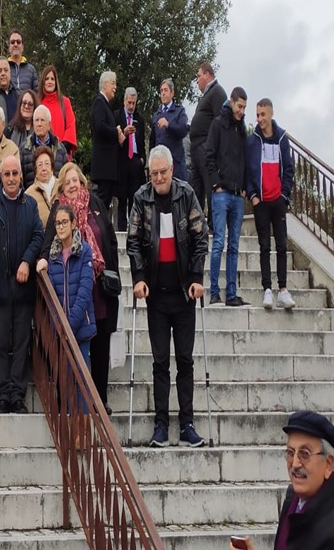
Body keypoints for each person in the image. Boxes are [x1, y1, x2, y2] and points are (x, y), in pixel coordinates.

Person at [127, 145, 208, 448]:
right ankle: (161, 424)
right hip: (156, 296)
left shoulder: (186, 195)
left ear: (172, 170)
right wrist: (138, 278)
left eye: (163, 172)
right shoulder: (141, 197)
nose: (159, 177)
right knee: (161, 361)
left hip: (184, 293)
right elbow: (133, 241)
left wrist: (198, 278)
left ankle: (186, 423)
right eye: (154, 172)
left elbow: (201, 236)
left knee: (184, 360)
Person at [40, 162, 119, 410]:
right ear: (62, 185)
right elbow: (48, 242)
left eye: (77, 180)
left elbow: (110, 239)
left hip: (98, 288)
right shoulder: (59, 211)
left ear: (82, 182)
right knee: (77, 347)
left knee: (100, 344)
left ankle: (100, 399)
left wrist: (112, 275)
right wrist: (42, 259)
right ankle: (76, 404)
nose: (73, 185)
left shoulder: (95, 204)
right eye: (68, 181)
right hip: (73, 290)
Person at [232, 412, 334, 550]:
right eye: (290, 452)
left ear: (329, 464)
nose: (295, 464)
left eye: (304, 454)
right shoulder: (293, 500)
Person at [0, 155, 43, 413]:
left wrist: (27, 261)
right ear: (1, 176)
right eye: (6, 174)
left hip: (23, 286)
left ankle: (18, 395)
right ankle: (2, 394)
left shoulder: (30, 205)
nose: (10, 179)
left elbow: (39, 235)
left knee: (20, 343)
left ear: (21, 176)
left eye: (14, 174)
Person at [246, 98, 296, 310]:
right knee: (264, 246)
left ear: (271, 114)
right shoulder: (252, 141)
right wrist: (253, 196)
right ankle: (267, 289)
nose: (259, 119)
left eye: (263, 114)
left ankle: (283, 289)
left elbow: (289, 169)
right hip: (261, 202)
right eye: (257, 115)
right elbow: (248, 171)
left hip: (278, 201)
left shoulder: (282, 139)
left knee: (282, 246)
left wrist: (284, 196)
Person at [205, 86, 250, 307]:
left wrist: (244, 187)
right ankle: (214, 292)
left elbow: (245, 159)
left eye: (244, 107)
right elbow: (209, 155)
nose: (242, 111)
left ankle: (231, 293)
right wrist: (216, 184)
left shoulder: (241, 130)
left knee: (234, 245)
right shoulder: (217, 124)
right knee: (219, 242)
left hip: (237, 195)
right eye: (239, 106)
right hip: (221, 194)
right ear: (231, 102)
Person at [42, 203, 96, 369]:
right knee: (64, 382)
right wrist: (59, 326)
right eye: (58, 223)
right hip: (60, 330)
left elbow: (84, 292)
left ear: (73, 224)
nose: (61, 227)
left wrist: (70, 325)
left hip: (79, 327)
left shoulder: (84, 251)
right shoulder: (53, 255)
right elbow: (52, 295)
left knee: (81, 381)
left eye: (65, 222)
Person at [189, 62, 227, 232]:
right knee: (196, 186)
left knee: (210, 184)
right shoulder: (206, 95)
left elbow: (221, 121)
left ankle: (213, 225)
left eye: (198, 75)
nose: (197, 80)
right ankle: (196, 225)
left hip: (206, 146)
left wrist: (214, 147)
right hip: (196, 147)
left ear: (207, 74)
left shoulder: (217, 92)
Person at [115, 86, 148, 231]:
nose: (131, 106)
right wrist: (124, 132)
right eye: (129, 103)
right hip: (122, 161)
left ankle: (134, 231)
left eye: (133, 103)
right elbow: (113, 140)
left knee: (134, 198)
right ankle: (121, 231)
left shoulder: (139, 119)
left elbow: (142, 142)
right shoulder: (116, 116)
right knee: (122, 199)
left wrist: (142, 159)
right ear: (124, 101)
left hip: (135, 161)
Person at [20, 104, 67, 188]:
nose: (39, 124)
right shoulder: (24, 148)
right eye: (36, 120)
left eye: (42, 120)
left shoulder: (60, 148)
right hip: (32, 196)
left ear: (49, 124)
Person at [90, 71, 119, 210]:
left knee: (105, 204)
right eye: (113, 83)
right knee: (100, 205)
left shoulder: (105, 105)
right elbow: (100, 126)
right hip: (103, 167)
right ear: (105, 84)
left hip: (108, 168)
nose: (115, 87)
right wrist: (116, 132)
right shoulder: (99, 102)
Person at [151, 80, 189, 180]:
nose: (163, 93)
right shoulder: (156, 115)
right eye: (161, 91)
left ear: (172, 93)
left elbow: (183, 130)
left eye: (166, 90)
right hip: (161, 166)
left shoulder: (179, 111)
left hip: (176, 165)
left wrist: (168, 125)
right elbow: (152, 141)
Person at [37, 65, 76, 155]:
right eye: (47, 79)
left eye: (52, 79)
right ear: (43, 81)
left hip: (61, 152)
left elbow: (71, 125)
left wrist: (63, 147)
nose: (49, 81)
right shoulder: (37, 102)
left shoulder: (65, 102)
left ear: (56, 82)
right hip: (41, 153)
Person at [26, 146, 56, 227]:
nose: (44, 168)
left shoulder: (62, 186)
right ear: (35, 170)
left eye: (47, 164)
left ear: (52, 167)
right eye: (40, 165)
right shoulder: (28, 195)